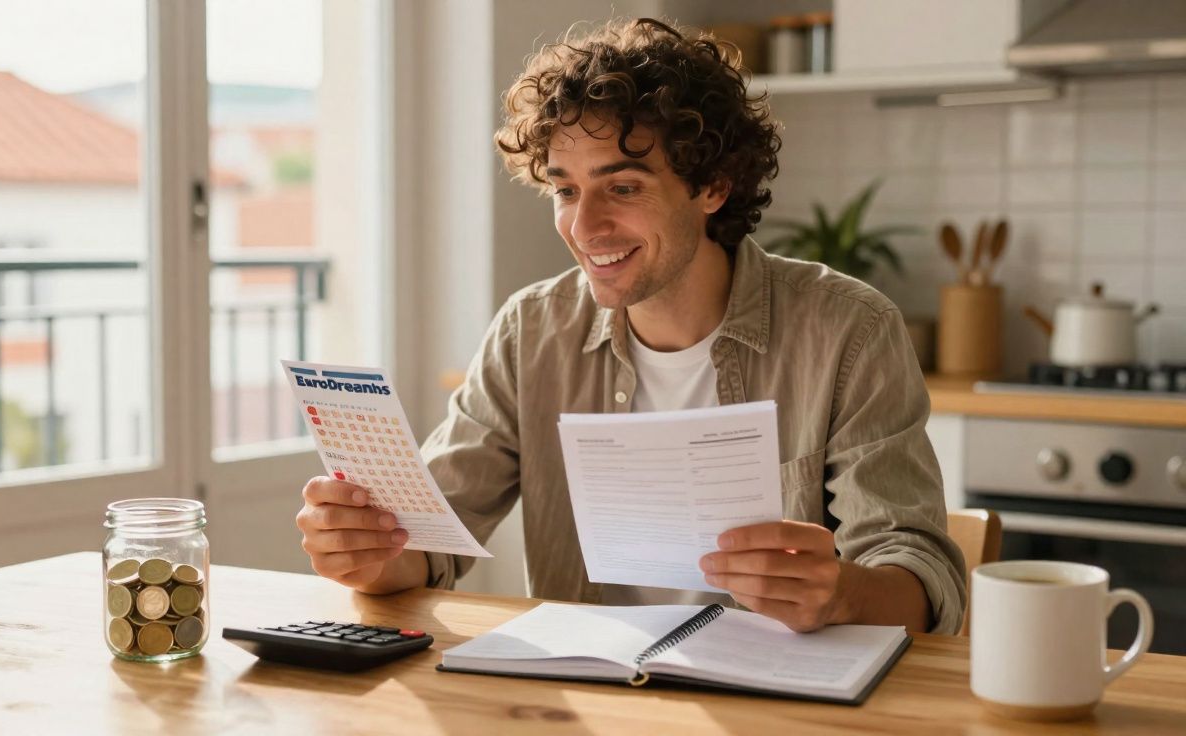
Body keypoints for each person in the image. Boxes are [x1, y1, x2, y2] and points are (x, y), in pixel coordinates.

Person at [296, 17, 966, 634]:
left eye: (622, 187)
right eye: (565, 190)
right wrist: (369, 552)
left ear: (713, 186)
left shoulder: (848, 330)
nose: (583, 228)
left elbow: (921, 579)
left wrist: (844, 593)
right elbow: (429, 542)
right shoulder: (531, 332)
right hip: (587, 703)